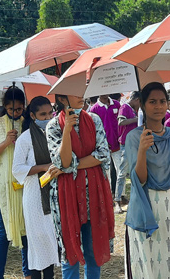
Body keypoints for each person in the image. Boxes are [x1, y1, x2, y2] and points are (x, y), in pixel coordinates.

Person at [124, 82, 170, 279]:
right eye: (152, 102)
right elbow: (139, 181)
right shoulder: (134, 138)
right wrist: (143, 150)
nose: (159, 106)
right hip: (146, 211)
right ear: (143, 105)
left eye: (162, 101)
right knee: (148, 268)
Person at [47, 94, 114, 279]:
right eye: (75, 92)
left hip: (94, 192)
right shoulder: (53, 126)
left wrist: (67, 168)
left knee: (93, 249)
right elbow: (62, 160)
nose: (81, 96)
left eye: (82, 91)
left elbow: (102, 154)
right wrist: (67, 129)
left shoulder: (93, 119)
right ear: (62, 97)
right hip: (66, 196)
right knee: (70, 251)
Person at [0, 86, 32, 279]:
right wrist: (5, 143)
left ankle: (28, 273)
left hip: (25, 182)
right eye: (11, 110)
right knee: (3, 232)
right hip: (4, 183)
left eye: (19, 109)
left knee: (26, 230)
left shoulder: (27, 123)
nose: (15, 113)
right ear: (4, 107)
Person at [13, 97, 61, 278]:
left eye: (50, 113)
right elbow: (16, 169)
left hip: (54, 192)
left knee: (51, 237)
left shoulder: (56, 133)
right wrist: (43, 167)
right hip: (34, 194)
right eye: (43, 114)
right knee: (37, 239)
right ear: (33, 116)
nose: (48, 117)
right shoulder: (24, 139)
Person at [88, 94, 121, 198]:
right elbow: (93, 130)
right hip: (103, 146)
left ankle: (120, 195)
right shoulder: (94, 109)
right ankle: (109, 196)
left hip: (117, 144)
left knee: (121, 170)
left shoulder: (116, 104)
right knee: (106, 173)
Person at [115, 91, 140, 213]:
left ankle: (133, 200)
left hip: (134, 144)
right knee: (122, 174)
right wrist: (136, 119)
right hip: (125, 144)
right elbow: (121, 122)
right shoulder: (125, 107)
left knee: (134, 173)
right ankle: (117, 201)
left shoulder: (134, 109)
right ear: (136, 100)